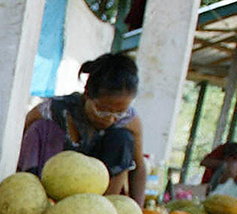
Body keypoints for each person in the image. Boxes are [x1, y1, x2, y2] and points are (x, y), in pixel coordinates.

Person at [17, 53, 148, 201]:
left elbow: (139, 168)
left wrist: (138, 210)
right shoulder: (53, 111)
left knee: (123, 139)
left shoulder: (129, 120)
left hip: (98, 198)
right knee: (41, 128)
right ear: (87, 94)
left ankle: (105, 207)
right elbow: (17, 143)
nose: (111, 119)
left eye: (118, 113)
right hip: (54, 190)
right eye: (102, 111)